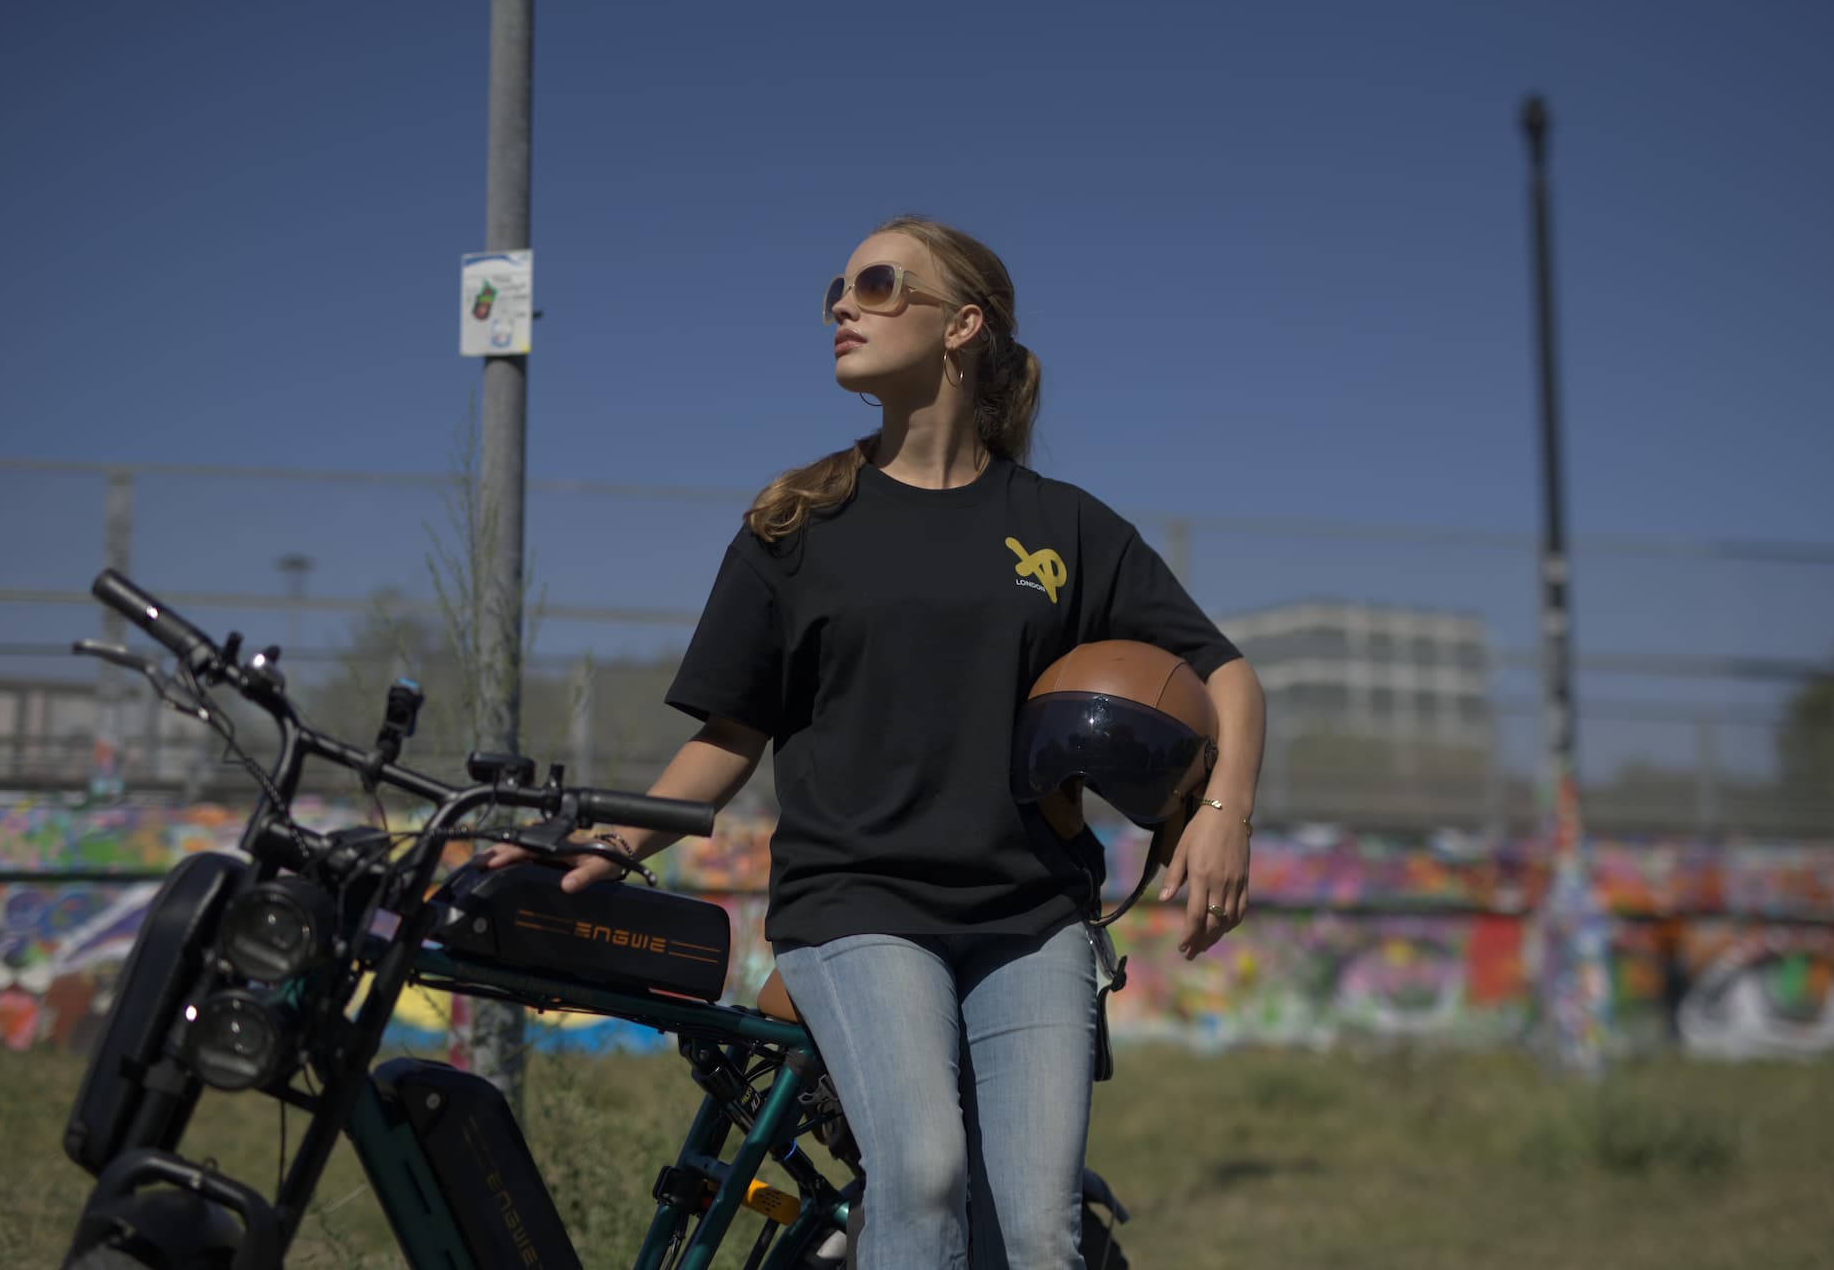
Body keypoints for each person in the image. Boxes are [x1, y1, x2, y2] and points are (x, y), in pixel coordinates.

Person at [491, 215, 1264, 1268]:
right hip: (856, 908)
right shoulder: (795, 525)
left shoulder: (1065, 528)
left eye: (878, 283)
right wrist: (607, 844)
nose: (843, 308)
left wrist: (1222, 815)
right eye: (837, 291)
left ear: (962, 326)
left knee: (1038, 1235)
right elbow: (728, 739)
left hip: (1029, 919)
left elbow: (1223, 672)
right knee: (926, 1176)